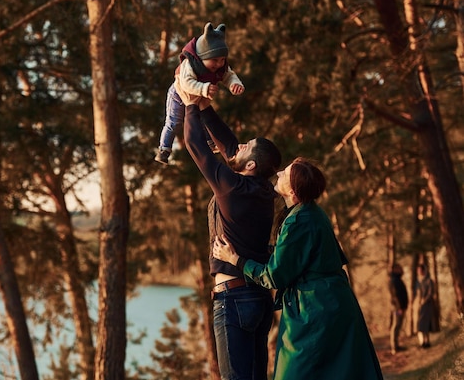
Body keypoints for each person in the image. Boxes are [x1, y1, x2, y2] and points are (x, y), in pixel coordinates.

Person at [213, 158, 383, 380]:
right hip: (330, 303)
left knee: (293, 373)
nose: (280, 171)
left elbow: (272, 276)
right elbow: (295, 255)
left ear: (292, 191)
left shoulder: (299, 221)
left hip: (315, 309)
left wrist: (235, 259)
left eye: (286, 173)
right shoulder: (310, 212)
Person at [182, 94, 281, 380]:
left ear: (251, 166)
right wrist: (205, 108)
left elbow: (196, 147)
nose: (239, 145)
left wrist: (189, 104)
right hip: (259, 298)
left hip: (234, 299)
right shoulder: (262, 191)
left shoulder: (233, 189)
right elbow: (230, 150)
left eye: (246, 146)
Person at [155, 22, 245, 165]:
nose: (218, 64)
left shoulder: (221, 67)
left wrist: (235, 84)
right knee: (174, 122)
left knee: (204, 119)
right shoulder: (190, 64)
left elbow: (229, 75)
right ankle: (164, 149)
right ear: (202, 57)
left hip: (198, 98)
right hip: (179, 94)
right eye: (214, 60)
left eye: (222, 60)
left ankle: (211, 143)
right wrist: (204, 88)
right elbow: (185, 82)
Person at [388, 263, 409, 355]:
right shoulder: (394, 281)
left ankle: (396, 345)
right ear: (395, 269)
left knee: (398, 325)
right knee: (396, 325)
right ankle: (394, 347)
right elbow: (396, 296)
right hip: (397, 308)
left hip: (399, 307)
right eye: (400, 268)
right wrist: (399, 308)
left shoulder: (397, 280)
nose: (402, 270)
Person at [415, 263, 435, 348]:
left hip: (427, 305)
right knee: (420, 324)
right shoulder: (418, 282)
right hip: (419, 305)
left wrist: (424, 300)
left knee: (425, 323)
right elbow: (417, 293)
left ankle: (427, 341)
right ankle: (423, 342)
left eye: (420, 270)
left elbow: (430, 293)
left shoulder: (429, 281)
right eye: (418, 270)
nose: (419, 272)